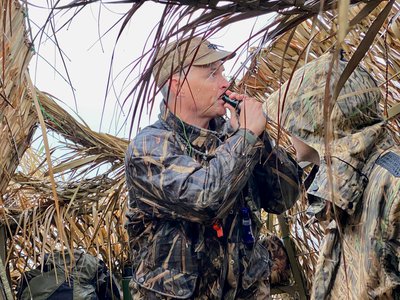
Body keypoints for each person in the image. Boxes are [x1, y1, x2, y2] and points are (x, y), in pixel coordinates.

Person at [124, 36, 302, 299]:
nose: (225, 82)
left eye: (223, 71)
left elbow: (285, 197)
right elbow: (205, 200)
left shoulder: (235, 138)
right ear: (177, 85)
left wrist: (260, 141)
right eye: (212, 74)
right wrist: (246, 137)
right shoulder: (148, 148)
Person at [265, 52, 400, 299]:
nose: (289, 132)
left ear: (316, 122)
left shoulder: (392, 186)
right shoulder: (346, 189)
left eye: (293, 121)